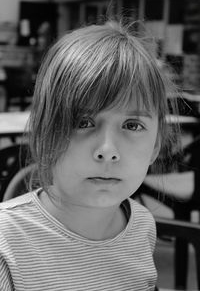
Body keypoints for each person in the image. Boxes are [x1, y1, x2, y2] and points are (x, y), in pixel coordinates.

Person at [0, 19, 179, 291]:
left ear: (155, 146)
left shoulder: (141, 225)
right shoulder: (7, 243)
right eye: (83, 122)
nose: (108, 151)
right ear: (43, 134)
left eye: (132, 125)